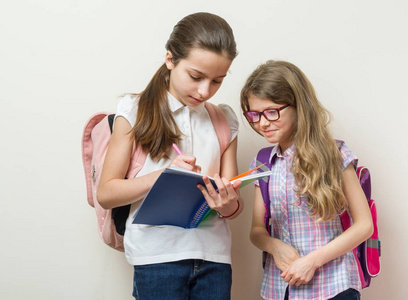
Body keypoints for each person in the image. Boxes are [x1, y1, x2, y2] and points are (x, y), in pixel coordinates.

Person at [97, 12, 242, 300]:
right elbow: (106, 193)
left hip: (214, 256)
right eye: (196, 77)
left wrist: (226, 202)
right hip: (155, 256)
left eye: (217, 81)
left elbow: (233, 208)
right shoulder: (134, 111)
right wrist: (161, 177)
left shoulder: (224, 119)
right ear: (170, 59)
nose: (205, 91)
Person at [240, 60, 374, 300]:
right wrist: (274, 246)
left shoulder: (335, 155)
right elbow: (256, 230)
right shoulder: (263, 163)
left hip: (334, 286)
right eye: (254, 114)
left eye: (271, 111)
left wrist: (312, 261)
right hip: (282, 289)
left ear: (298, 106)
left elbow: (364, 225)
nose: (262, 123)